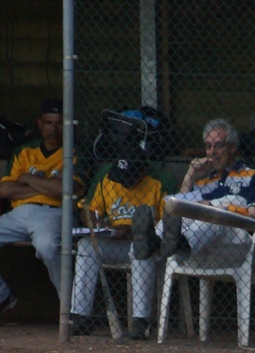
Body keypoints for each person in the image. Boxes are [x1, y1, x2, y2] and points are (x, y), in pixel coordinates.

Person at [70, 151, 175, 340]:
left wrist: (134, 231)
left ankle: (141, 322)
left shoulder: (161, 180)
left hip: (149, 245)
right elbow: (88, 210)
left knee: (141, 248)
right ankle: (79, 317)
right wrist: (97, 224)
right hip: (115, 242)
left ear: (143, 170)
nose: (124, 183)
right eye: (121, 177)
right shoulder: (105, 175)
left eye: (130, 177)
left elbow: (170, 224)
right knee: (86, 245)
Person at [150, 118, 255, 261]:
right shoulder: (201, 183)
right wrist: (190, 176)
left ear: (232, 147)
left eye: (218, 146)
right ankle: (153, 243)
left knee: (213, 217)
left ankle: (180, 245)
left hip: (237, 247)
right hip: (201, 250)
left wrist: (215, 209)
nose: (212, 152)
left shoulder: (252, 176)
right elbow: (177, 208)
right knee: (179, 212)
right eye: (208, 146)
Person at [0, 98, 69, 311]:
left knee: (48, 247)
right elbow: (4, 190)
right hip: (18, 214)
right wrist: (48, 187)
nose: (53, 128)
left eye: (58, 123)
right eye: (48, 122)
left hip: (53, 213)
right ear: (40, 123)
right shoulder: (23, 151)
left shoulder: (73, 152)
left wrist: (27, 178)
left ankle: (71, 306)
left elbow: (64, 190)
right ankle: (2, 296)